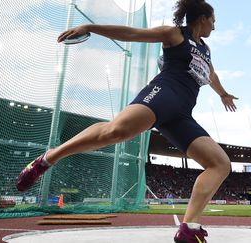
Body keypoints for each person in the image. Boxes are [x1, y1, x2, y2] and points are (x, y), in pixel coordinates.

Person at [16, 0, 237, 242]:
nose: (214, 27)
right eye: (213, 21)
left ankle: (189, 229)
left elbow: (211, 74)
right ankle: (47, 159)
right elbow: (132, 33)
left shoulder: (205, 50)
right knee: (115, 132)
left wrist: (223, 93)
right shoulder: (174, 34)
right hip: (163, 95)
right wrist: (90, 27)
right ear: (203, 18)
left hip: (182, 113)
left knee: (220, 164)